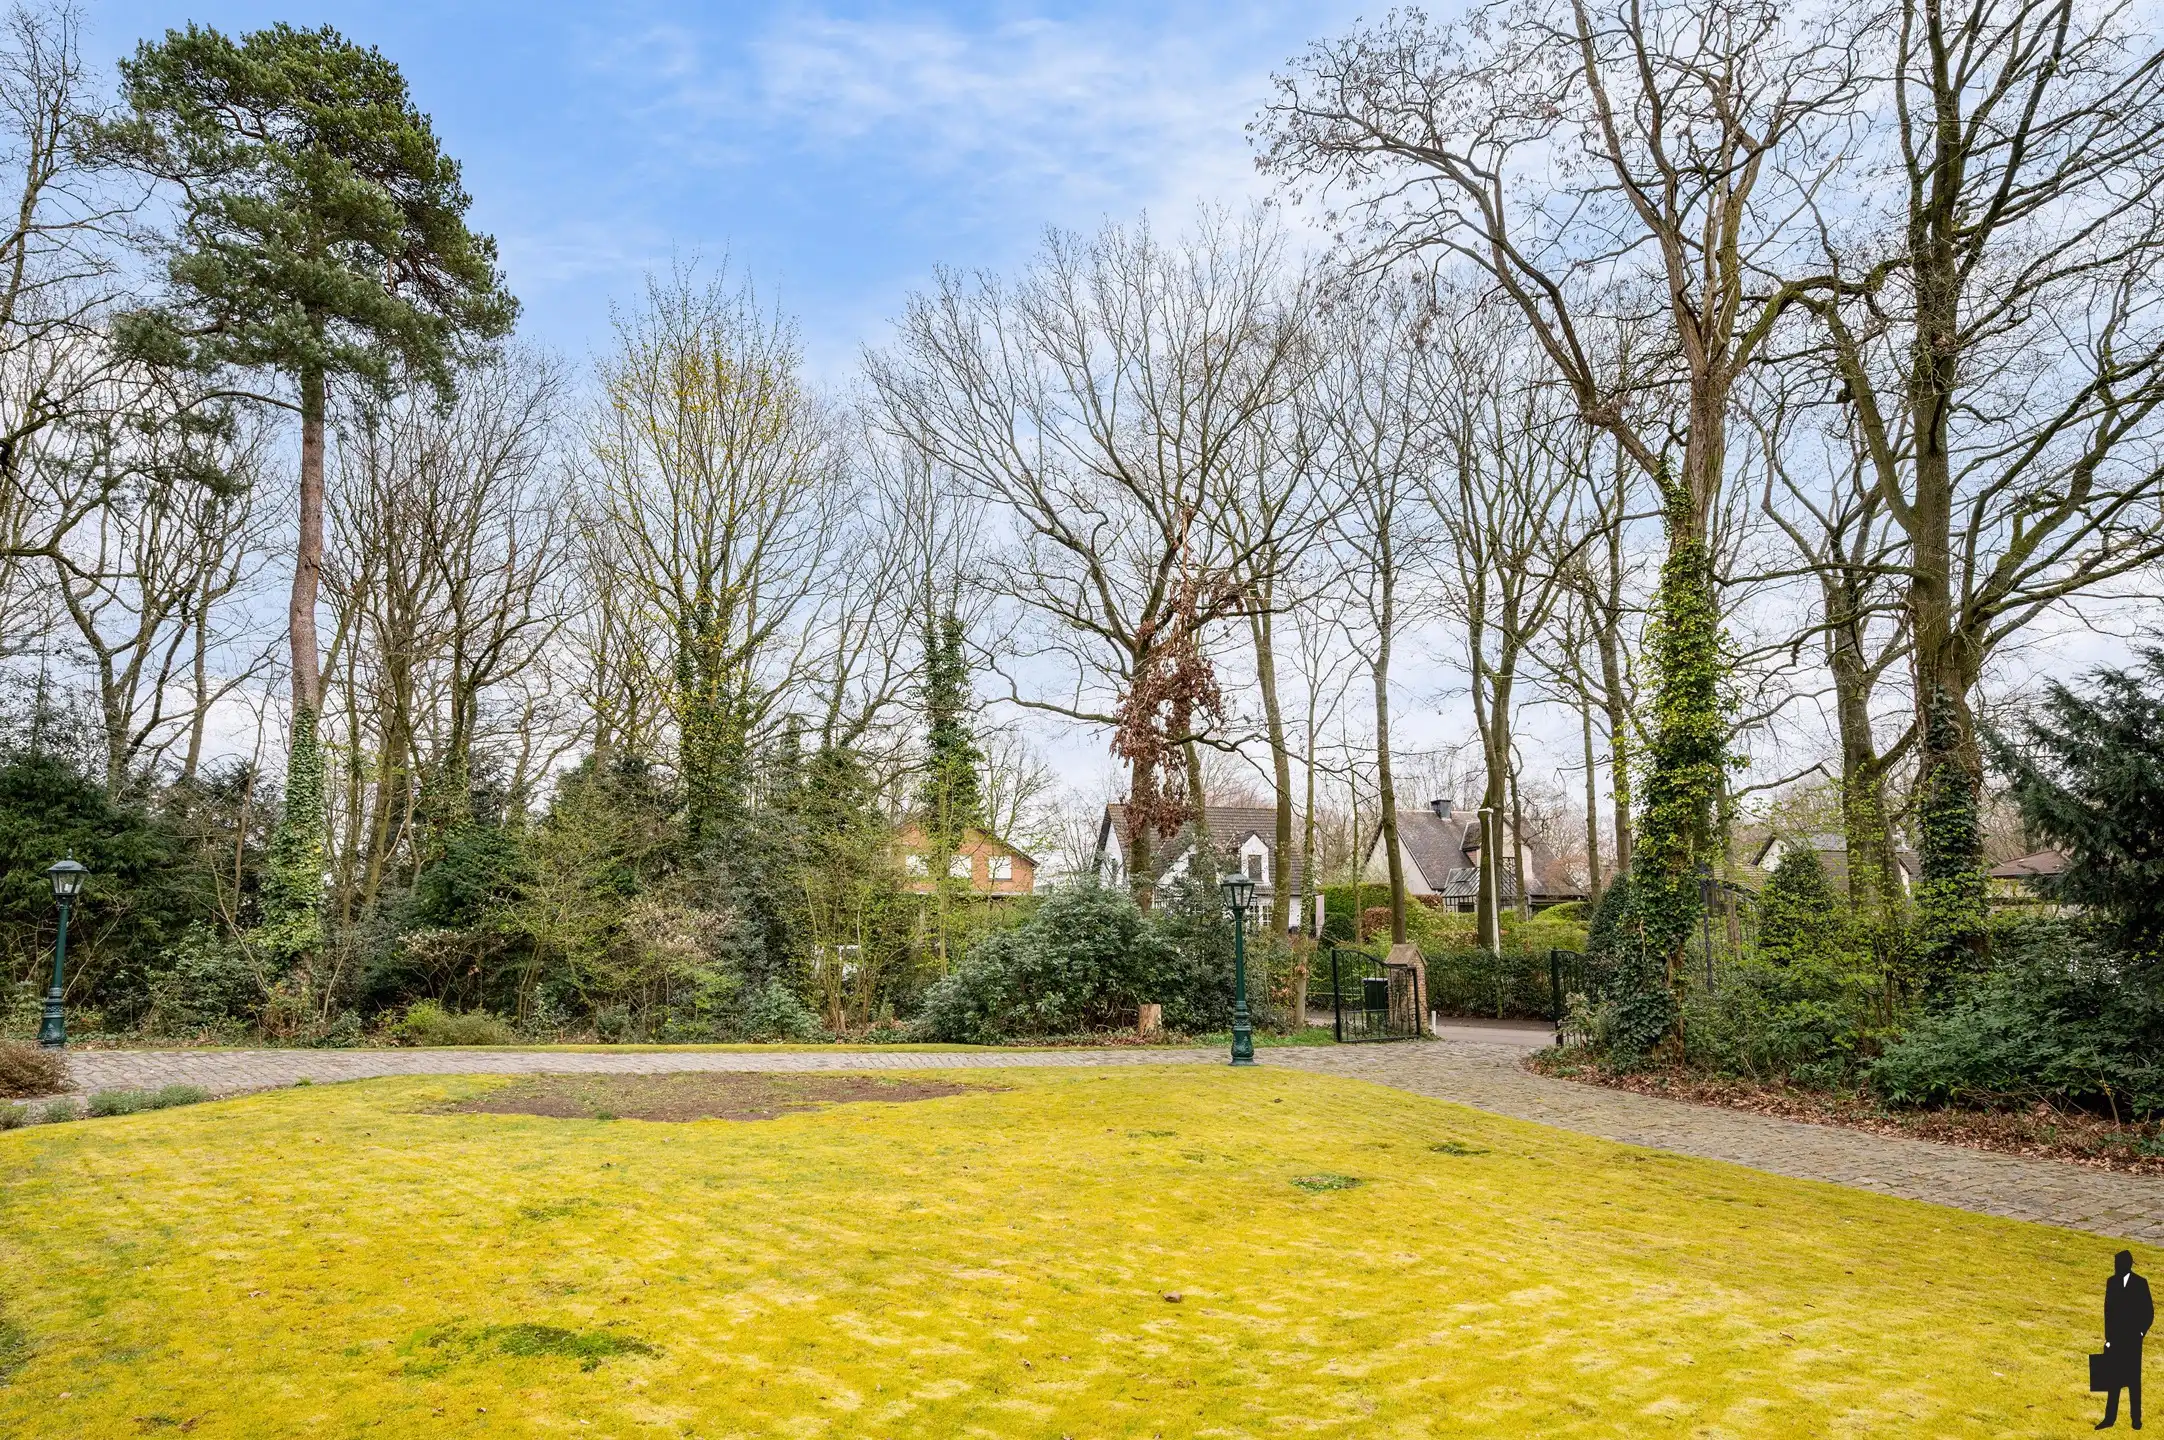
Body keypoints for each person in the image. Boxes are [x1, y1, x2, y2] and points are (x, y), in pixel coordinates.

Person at [2101, 1250, 2153, 1430]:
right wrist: (2108, 1338)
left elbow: (2148, 1311)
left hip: (2132, 1340)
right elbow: (2108, 1312)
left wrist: (2140, 1333)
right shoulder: (2112, 1282)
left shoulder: (2140, 1284)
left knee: (2133, 1381)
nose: (2116, 1268)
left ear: (2126, 1265)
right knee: (2113, 1380)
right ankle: (2109, 1418)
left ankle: (2136, 1419)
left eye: (2118, 1264)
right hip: (2116, 1339)